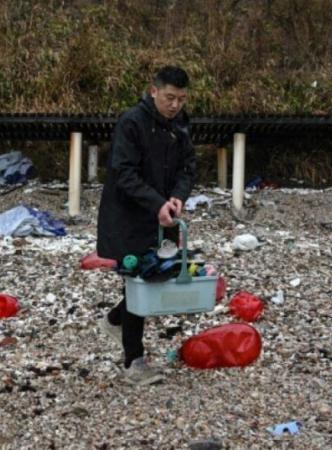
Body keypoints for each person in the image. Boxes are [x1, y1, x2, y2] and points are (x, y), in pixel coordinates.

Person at [96, 65, 197, 385]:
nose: (175, 105)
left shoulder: (180, 123)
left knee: (156, 276)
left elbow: (188, 167)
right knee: (136, 280)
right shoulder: (132, 122)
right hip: (128, 215)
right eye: (169, 97)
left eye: (181, 99)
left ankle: (115, 320)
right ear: (153, 91)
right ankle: (132, 362)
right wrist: (157, 204)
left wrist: (179, 197)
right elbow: (123, 173)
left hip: (164, 214)